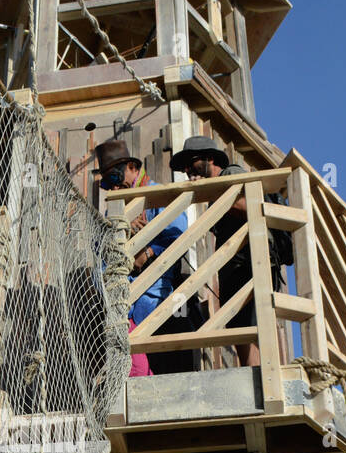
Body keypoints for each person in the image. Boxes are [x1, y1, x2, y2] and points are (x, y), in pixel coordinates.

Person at [95, 138, 195, 376]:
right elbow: (101, 254)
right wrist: (126, 233)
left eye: (117, 178)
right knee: (135, 370)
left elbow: (179, 232)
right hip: (125, 305)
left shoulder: (157, 195)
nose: (115, 188)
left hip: (159, 299)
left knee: (166, 367)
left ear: (132, 167)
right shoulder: (116, 210)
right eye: (109, 183)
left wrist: (147, 252)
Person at [170, 136, 260, 367]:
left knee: (249, 321)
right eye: (186, 167)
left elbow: (250, 206)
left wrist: (214, 193)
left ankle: (259, 374)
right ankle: (254, 372)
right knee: (239, 322)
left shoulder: (230, 174)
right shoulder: (217, 188)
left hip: (250, 262)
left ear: (210, 159)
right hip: (235, 264)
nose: (188, 170)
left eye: (192, 163)